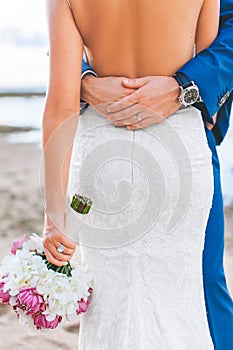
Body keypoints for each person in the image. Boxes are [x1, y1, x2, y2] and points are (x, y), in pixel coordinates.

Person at [43, 0, 220, 349]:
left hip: (101, 154)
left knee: (108, 307)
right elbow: (206, 63)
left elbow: (61, 107)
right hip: (179, 151)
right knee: (183, 301)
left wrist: (53, 214)